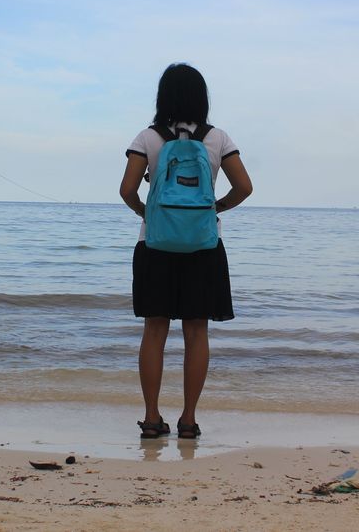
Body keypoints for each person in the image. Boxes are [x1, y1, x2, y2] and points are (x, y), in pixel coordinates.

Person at [119, 63, 253, 440]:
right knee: (196, 332)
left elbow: (127, 190)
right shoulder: (218, 138)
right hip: (204, 245)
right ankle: (189, 421)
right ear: (201, 98)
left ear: (162, 98)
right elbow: (244, 187)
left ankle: (150, 419)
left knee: (154, 330)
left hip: (155, 244)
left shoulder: (148, 137)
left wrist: (146, 213)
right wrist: (216, 209)